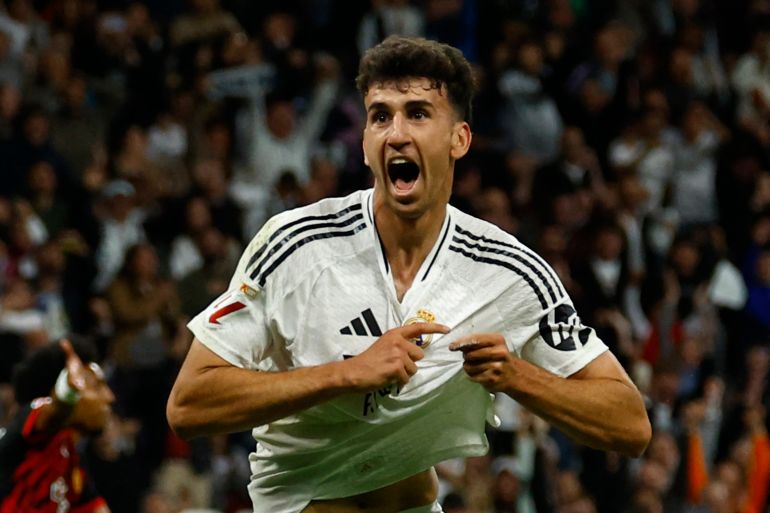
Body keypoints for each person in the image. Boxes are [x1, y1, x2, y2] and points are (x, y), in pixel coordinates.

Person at [167, 36, 651, 513]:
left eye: (418, 113)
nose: (396, 133)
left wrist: (517, 376)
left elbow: (629, 425)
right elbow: (189, 405)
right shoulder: (295, 245)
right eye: (380, 116)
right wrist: (346, 373)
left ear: (459, 139)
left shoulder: (509, 272)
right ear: (364, 145)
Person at [0, 338, 114, 513]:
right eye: (97, 387)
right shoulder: (33, 424)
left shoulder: (69, 455)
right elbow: (52, 412)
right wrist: (68, 393)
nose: (109, 397)